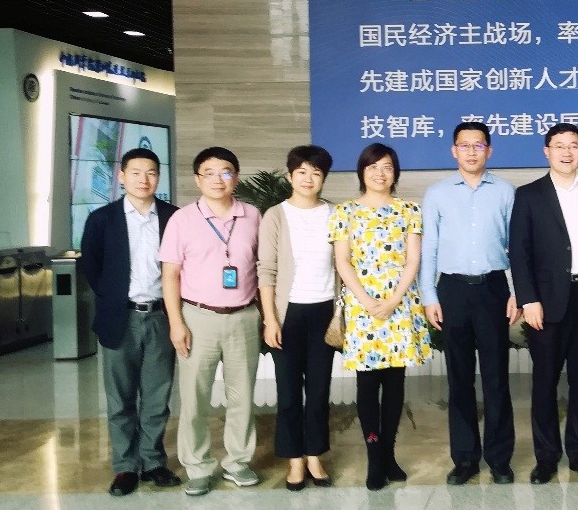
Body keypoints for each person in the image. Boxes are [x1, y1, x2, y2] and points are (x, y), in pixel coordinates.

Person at [510, 123, 578, 484]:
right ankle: (547, 456)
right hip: (546, 303)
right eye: (559, 146)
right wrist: (528, 299)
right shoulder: (528, 195)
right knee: (545, 381)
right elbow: (519, 252)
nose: (566, 152)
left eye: (573, 145)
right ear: (546, 151)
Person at [419, 122, 520, 486]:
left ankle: (499, 459)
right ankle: (464, 458)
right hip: (452, 291)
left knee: (496, 378)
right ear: (454, 151)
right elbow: (429, 247)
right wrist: (429, 295)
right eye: (465, 145)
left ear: (489, 151)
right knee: (459, 378)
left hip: (494, 289)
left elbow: (515, 246)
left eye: (479, 145)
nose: (472, 151)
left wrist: (516, 292)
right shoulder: (437, 194)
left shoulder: (505, 191)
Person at [160, 147, 262, 497]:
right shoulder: (182, 219)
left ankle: (238, 462)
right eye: (209, 172)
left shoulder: (253, 215)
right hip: (197, 317)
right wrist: (176, 323)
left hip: (244, 317)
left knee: (242, 396)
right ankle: (198, 466)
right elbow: (170, 274)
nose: (218, 179)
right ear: (197, 179)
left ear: (237, 177)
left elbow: (264, 268)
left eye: (226, 172)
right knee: (194, 398)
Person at [79, 148, 181, 497]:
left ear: (158, 177)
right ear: (121, 176)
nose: (143, 179)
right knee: (120, 398)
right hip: (119, 318)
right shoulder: (102, 219)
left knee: (157, 396)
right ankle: (125, 466)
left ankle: (153, 462)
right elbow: (92, 268)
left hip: (161, 317)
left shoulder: (173, 217)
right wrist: (113, 300)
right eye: (135, 172)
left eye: (151, 172)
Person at [331, 142, 433, 489]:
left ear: (395, 173)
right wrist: (366, 300)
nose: (380, 173)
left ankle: (388, 453)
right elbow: (342, 261)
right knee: (366, 384)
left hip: (399, 304)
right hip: (362, 307)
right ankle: (375, 457)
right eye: (373, 166)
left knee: (394, 383)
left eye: (387, 167)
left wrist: (393, 300)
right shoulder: (344, 212)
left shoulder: (409, 210)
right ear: (362, 172)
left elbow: (413, 260)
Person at [257, 145, 339, 491]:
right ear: (290, 176)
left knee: (319, 390)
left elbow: (344, 265)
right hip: (287, 313)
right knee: (289, 390)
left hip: (324, 312)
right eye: (302, 172)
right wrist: (270, 319)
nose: (308, 179)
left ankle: (315, 455)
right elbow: (266, 270)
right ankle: (294, 459)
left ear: (323, 178)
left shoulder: (335, 213)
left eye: (316, 173)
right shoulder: (275, 216)